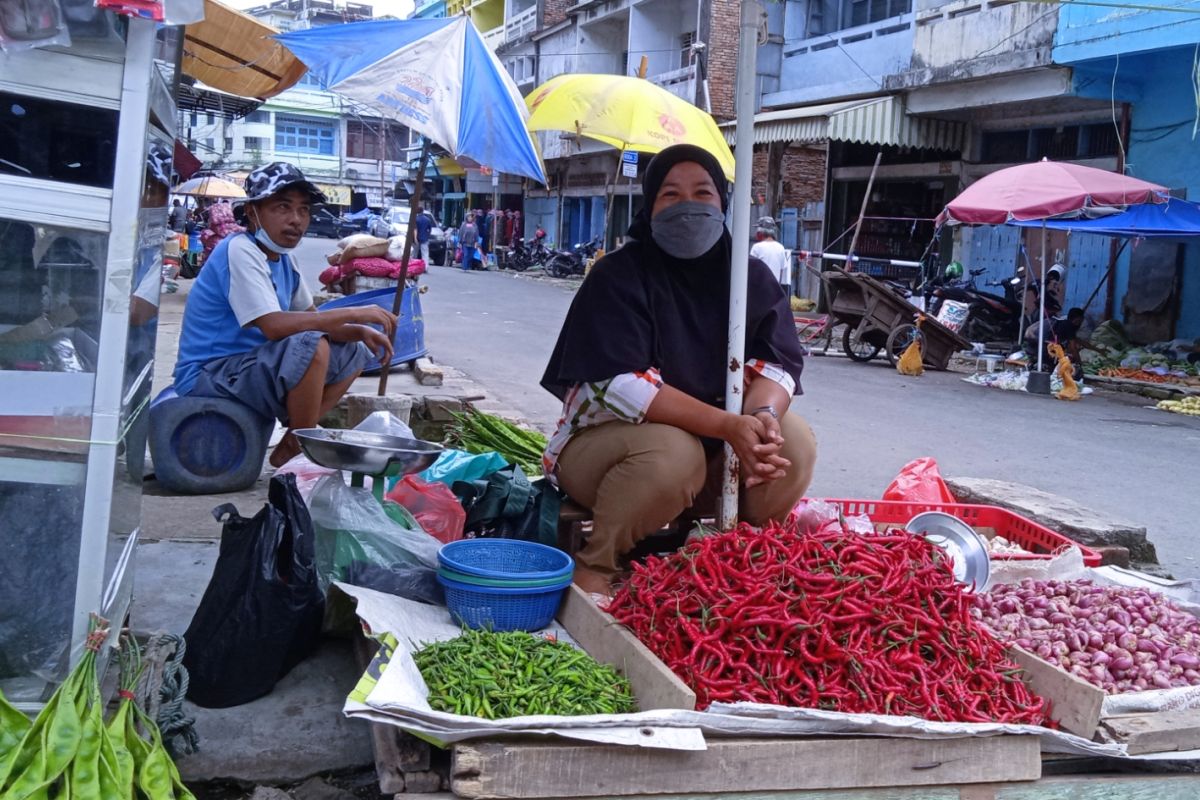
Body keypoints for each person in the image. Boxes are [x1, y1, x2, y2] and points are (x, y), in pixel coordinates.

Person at [541, 144, 816, 596]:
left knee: (795, 439)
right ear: (649, 207)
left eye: (703, 193)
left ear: (722, 204)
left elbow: (778, 363)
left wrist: (762, 418)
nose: (688, 206)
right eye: (670, 194)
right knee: (673, 452)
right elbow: (624, 385)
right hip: (604, 453)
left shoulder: (749, 280)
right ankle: (598, 565)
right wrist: (729, 425)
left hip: (714, 460)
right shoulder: (617, 277)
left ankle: (737, 554)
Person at [173, 162, 397, 468]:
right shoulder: (240, 250)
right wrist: (354, 311)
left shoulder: (283, 262)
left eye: (304, 210)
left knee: (353, 352)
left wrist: (359, 331)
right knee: (311, 345)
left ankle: (293, 440)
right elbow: (274, 327)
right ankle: (301, 439)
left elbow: (312, 317)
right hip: (209, 375)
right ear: (252, 212)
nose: (296, 220)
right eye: (283, 207)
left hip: (248, 369)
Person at [750, 216, 790, 293]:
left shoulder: (757, 247)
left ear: (760, 232)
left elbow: (751, 270)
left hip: (759, 290)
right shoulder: (780, 248)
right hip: (775, 290)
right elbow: (781, 272)